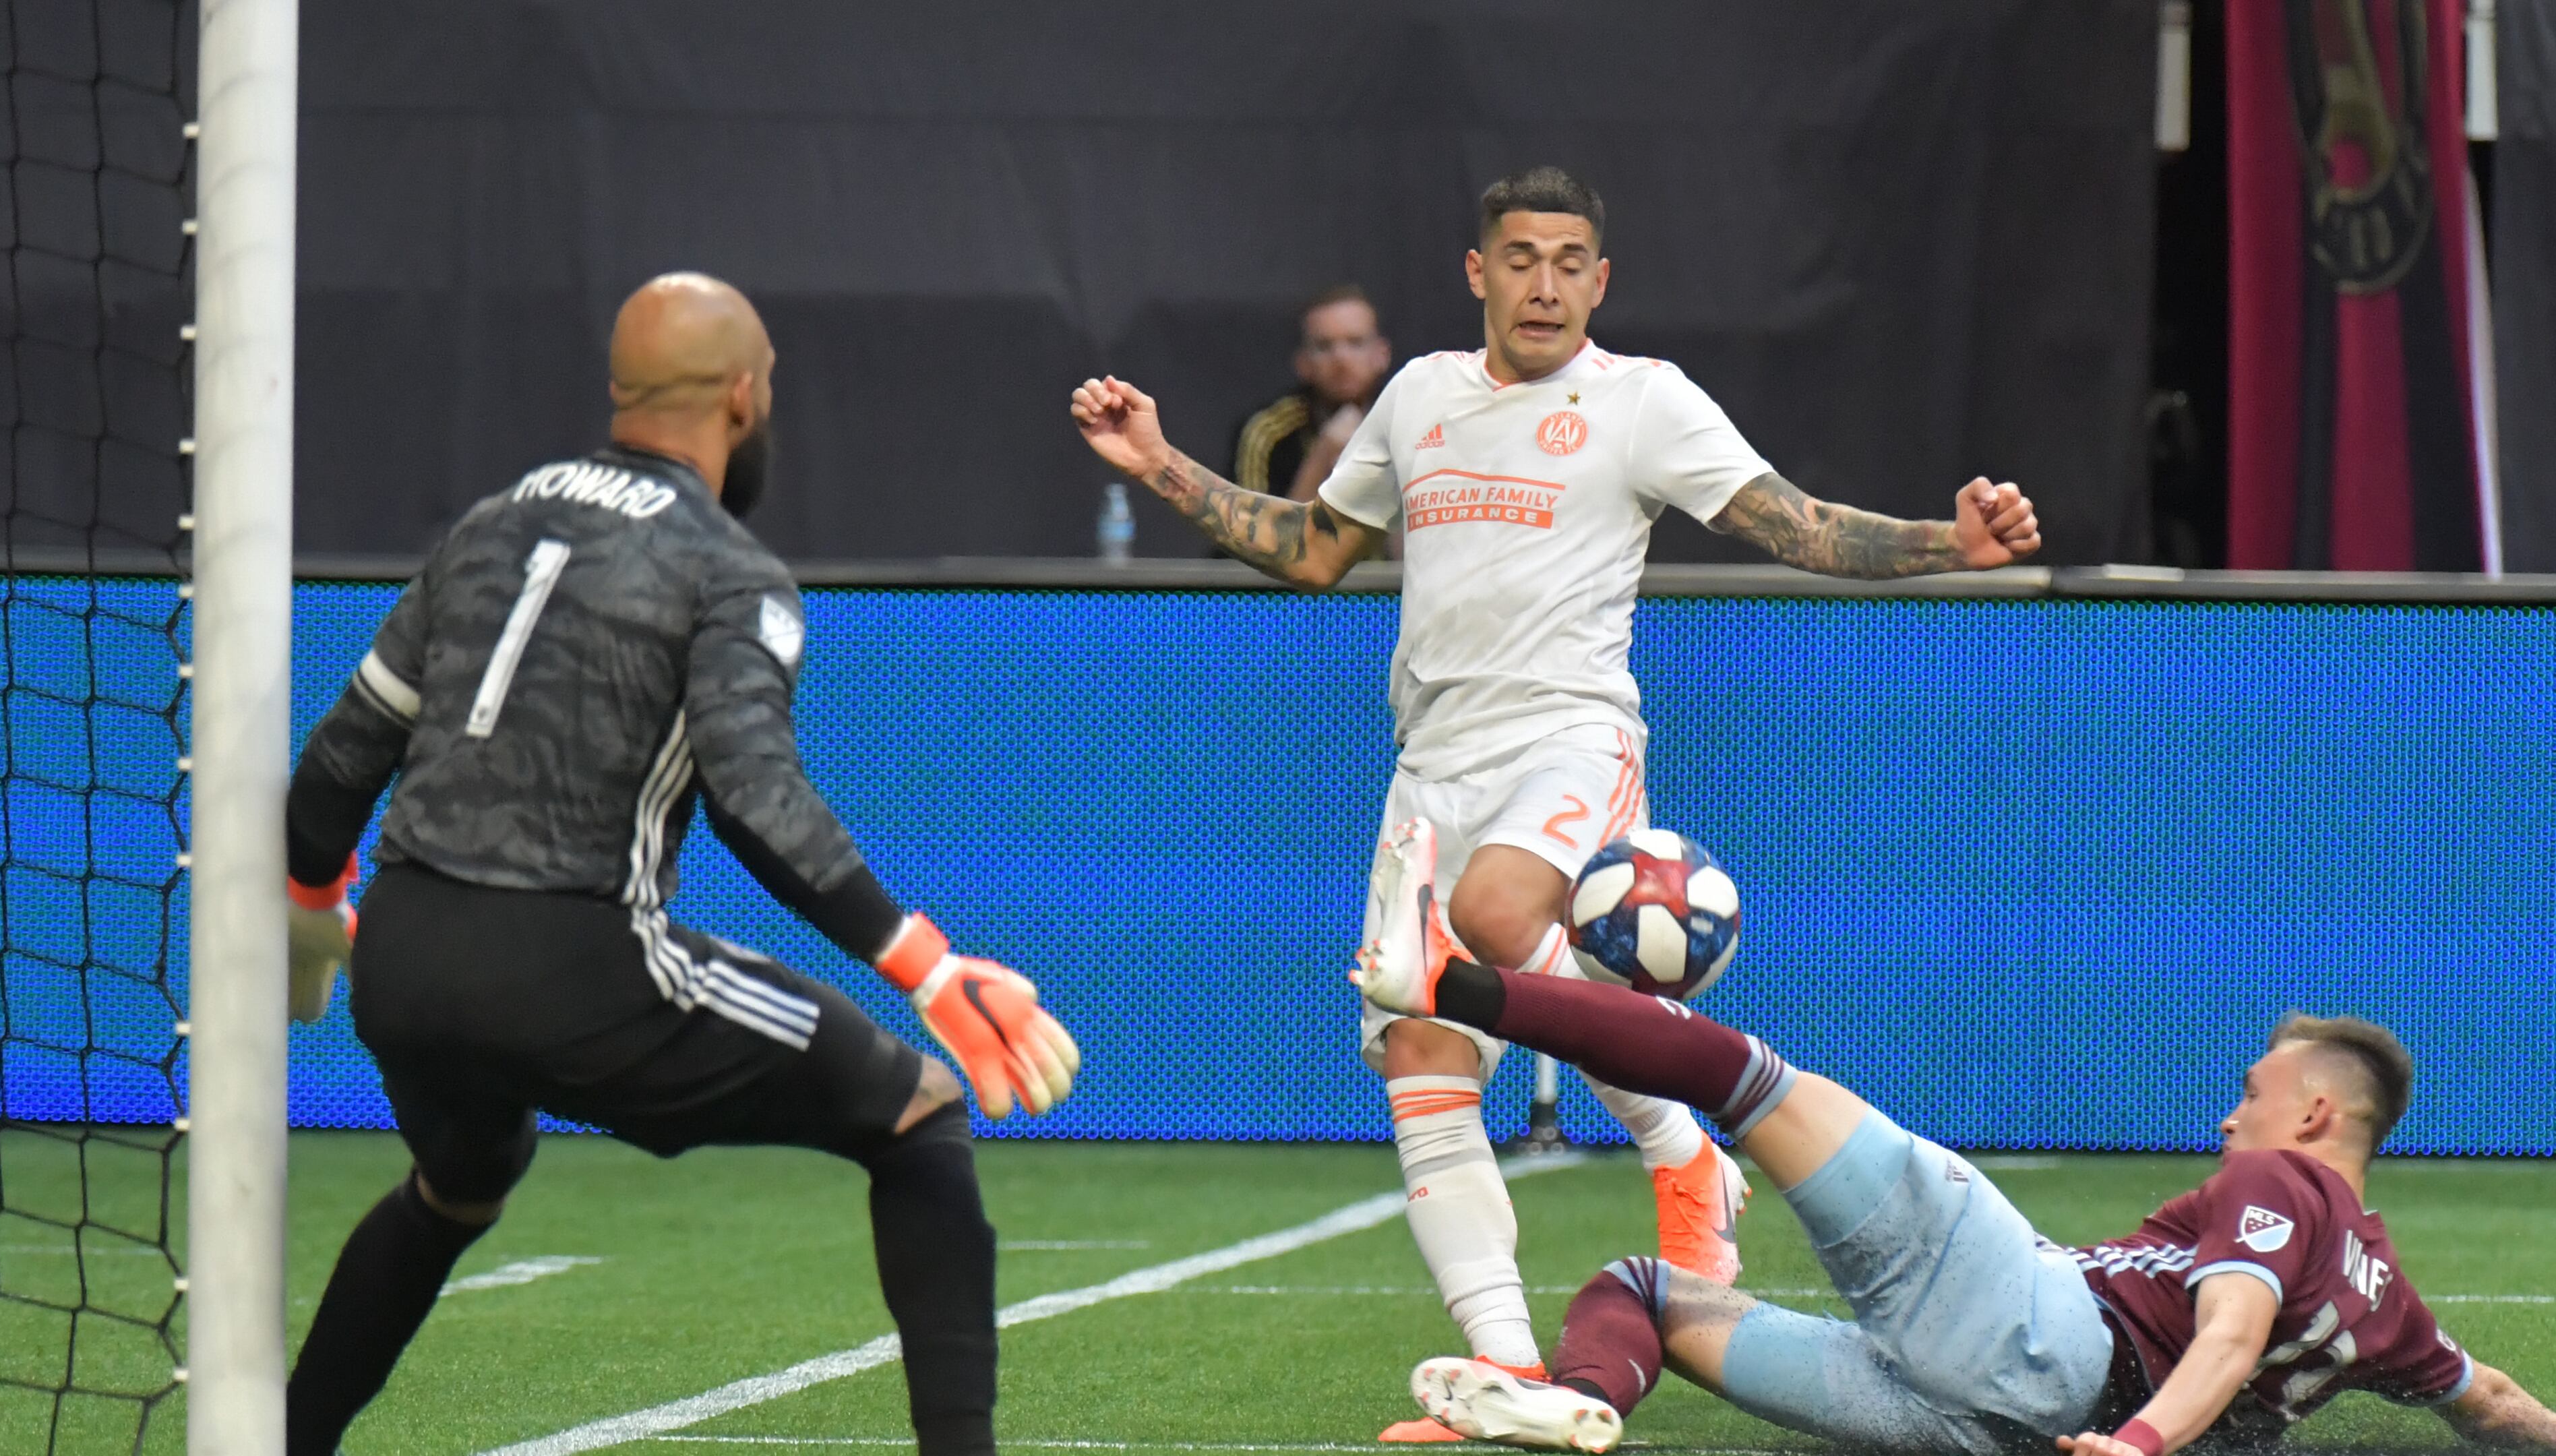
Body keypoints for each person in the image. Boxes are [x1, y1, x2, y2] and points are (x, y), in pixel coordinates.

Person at [1071, 165, 2041, 1440]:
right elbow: (1313, 548)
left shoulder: (1640, 402)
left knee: (1494, 908)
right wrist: (1158, 462)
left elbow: (1793, 525)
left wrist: (1945, 544)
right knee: (1421, 1055)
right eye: (1519, 257)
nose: (1543, 281)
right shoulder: (1419, 395)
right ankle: (1513, 1378)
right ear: (1479, 272)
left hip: (1572, 739)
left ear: (1600, 279)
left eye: (1569, 259)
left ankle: (1680, 1145)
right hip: (1431, 763)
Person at [276, 272, 1080, 1456]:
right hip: (577, 965)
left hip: (400, 955)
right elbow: (756, 798)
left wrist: (311, 907)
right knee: (920, 1110)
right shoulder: (728, 569)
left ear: (620, 391)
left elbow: (343, 755)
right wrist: (927, 965)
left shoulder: (487, 526)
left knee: (465, 1174)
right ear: (747, 397)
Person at [1351, 824, 2556, 1455]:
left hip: (2037, 1337)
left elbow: (2232, 1330)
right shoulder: (2386, 1296)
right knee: (1642, 1293)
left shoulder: (2284, 1178)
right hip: (1981, 1422)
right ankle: (1578, 1404)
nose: (2230, 1117)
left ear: (2316, 1115)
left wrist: (2138, 1445)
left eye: (2252, 1091)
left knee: (1741, 1074)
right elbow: (2491, 1401)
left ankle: (1449, 980)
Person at [1230, 284, 1393, 503]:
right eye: (1324, 347)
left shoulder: (1410, 423)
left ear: (1382, 355)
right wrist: (1321, 458)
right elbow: (1247, 532)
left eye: (1356, 343)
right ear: (1303, 363)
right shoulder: (1268, 432)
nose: (1341, 359)